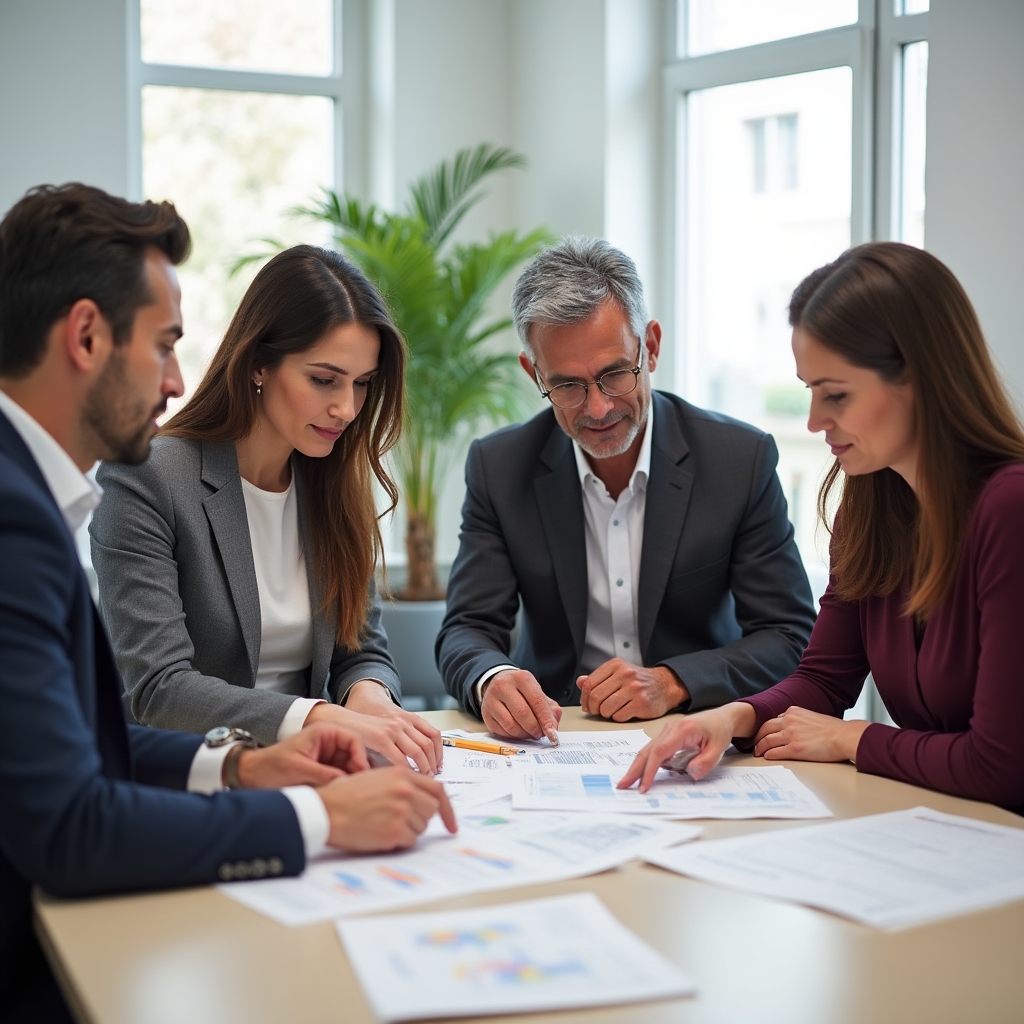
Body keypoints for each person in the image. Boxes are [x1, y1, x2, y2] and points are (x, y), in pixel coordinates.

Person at [0, 184, 455, 1024]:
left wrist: (259, 759)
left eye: (359, 385)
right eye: (166, 345)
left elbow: (88, 745)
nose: (176, 379)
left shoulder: (333, 481)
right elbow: (112, 753)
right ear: (87, 336)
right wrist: (311, 810)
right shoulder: (60, 503)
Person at [619, 242, 1024, 815]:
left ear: (921, 378)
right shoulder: (871, 505)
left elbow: (1002, 767)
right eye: (810, 391)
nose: (814, 422)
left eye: (835, 394)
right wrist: (730, 716)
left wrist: (852, 738)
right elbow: (824, 681)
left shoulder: (1009, 508)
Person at [437, 237, 816, 741]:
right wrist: (494, 678)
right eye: (568, 386)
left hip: (696, 731)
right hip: (553, 740)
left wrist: (674, 681)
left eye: (615, 374)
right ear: (535, 374)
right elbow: (467, 628)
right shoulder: (500, 467)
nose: (597, 409)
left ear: (651, 347)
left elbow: (788, 636)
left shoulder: (737, 460)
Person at [91, 245, 443, 774]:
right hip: (193, 782)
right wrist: (320, 717)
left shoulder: (333, 478)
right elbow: (159, 691)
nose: (347, 408)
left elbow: (361, 648)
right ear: (258, 364)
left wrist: (368, 696)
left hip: (319, 773)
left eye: (363, 383)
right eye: (324, 379)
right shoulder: (148, 478)